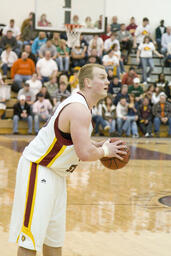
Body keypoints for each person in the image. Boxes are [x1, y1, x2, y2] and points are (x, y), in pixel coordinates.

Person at [9, 64, 127, 256]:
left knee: (54, 241)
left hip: (56, 175)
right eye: (102, 77)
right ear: (88, 82)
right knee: (30, 241)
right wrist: (106, 150)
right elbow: (84, 154)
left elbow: (80, 144)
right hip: (39, 169)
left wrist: (98, 145)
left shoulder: (82, 107)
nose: (108, 81)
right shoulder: (79, 109)